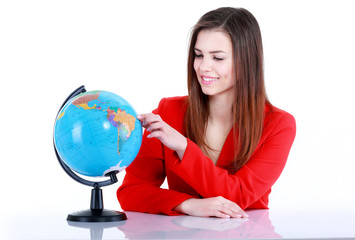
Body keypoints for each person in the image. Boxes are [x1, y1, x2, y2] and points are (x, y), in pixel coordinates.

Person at [117, 7, 296, 219]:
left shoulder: (278, 124)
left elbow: (237, 196)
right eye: (198, 55)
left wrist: (183, 146)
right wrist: (188, 205)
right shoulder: (168, 112)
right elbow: (131, 192)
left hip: (244, 234)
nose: (203, 67)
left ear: (247, 61)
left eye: (218, 58)